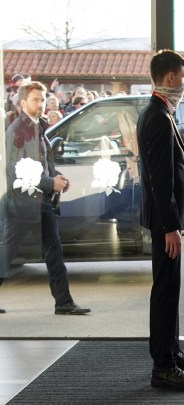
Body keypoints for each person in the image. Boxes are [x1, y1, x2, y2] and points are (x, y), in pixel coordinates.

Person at [136, 49, 184, 390]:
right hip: (166, 223)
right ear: (169, 78)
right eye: (182, 76)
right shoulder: (158, 117)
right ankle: (163, 366)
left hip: (166, 221)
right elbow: (160, 179)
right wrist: (170, 227)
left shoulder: (158, 113)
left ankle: (171, 351)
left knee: (169, 288)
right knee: (165, 290)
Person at [1, 81, 90, 316]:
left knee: (54, 253)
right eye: (35, 100)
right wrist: (51, 183)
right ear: (22, 103)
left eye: (42, 99)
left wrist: (57, 177)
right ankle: (64, 303)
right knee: (6, 253)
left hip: (40, 204)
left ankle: (64, 302)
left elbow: (41, 163)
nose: (40, 104)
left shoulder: (37, 127)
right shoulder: (17, 131)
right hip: (23, 205)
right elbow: (16, 170)